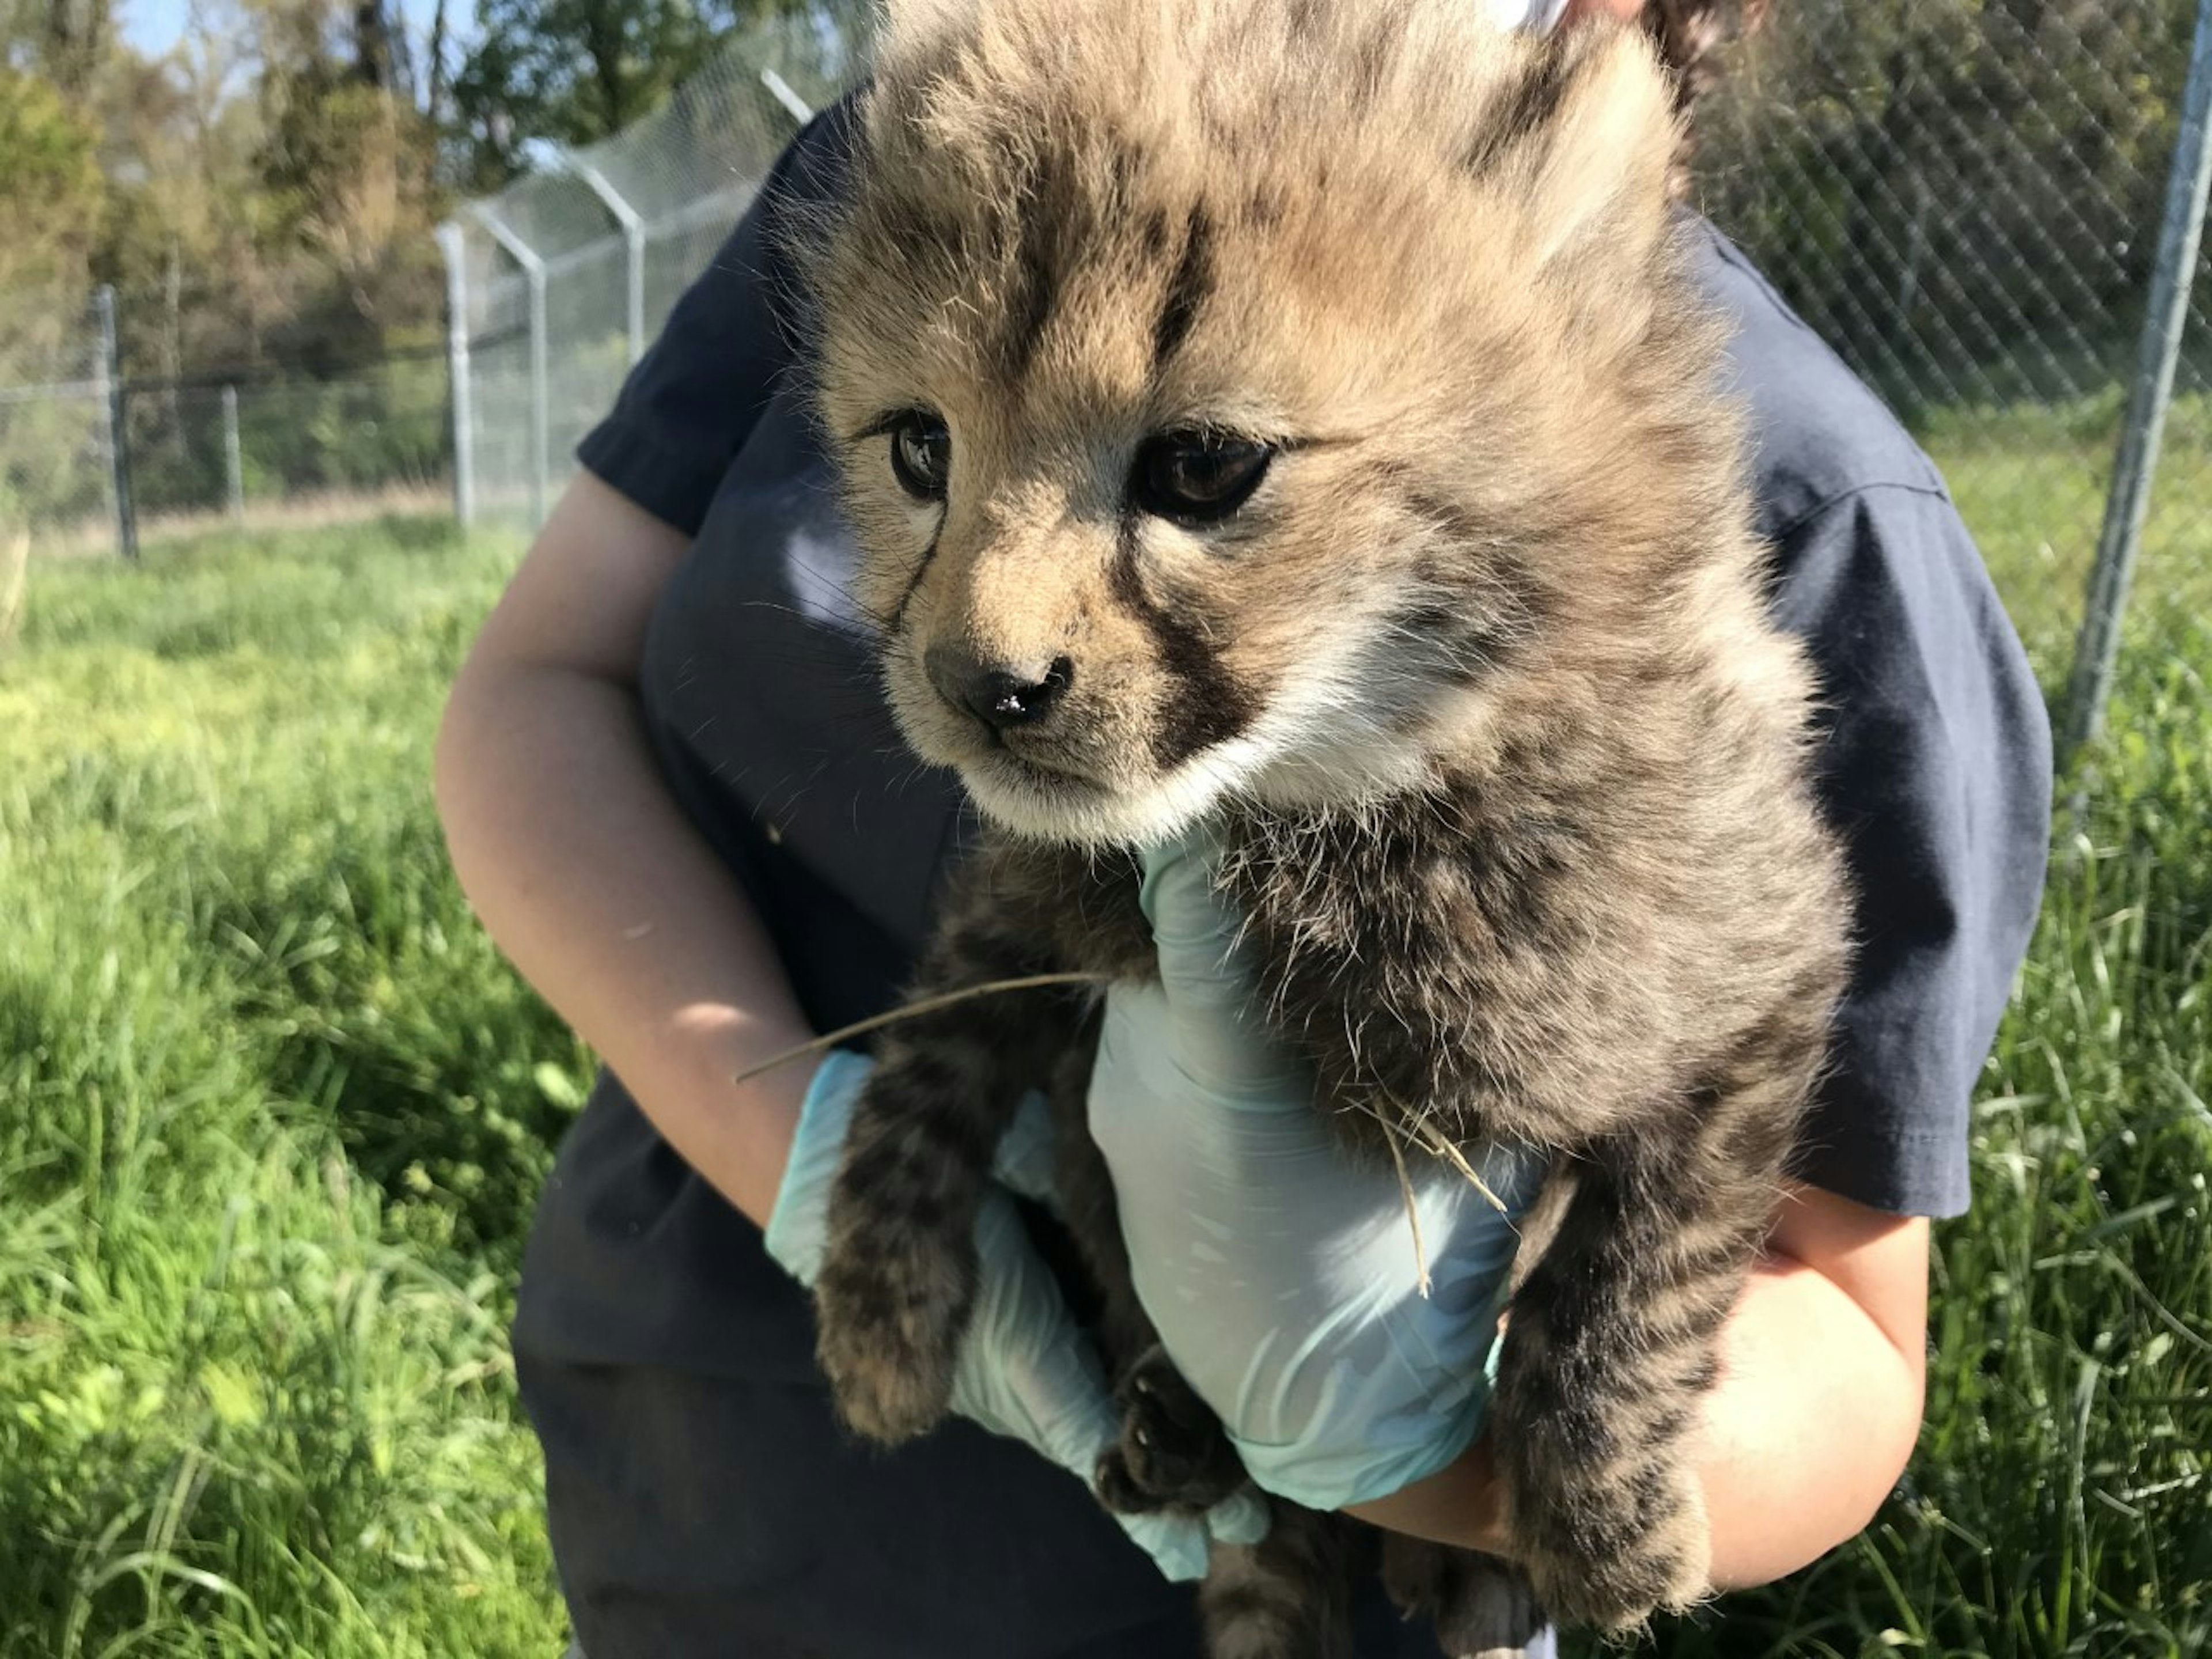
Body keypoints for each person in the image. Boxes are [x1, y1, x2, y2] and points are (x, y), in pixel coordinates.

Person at [431, 0, 2053, 1652]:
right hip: (700, 1500)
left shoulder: (1803, 491)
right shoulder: (950, 140)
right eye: (923, 452)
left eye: (1200, 468)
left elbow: (1844, 1325)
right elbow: (533, 689)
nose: (987, 640)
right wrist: (818, 1163)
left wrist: (1428, 1445)